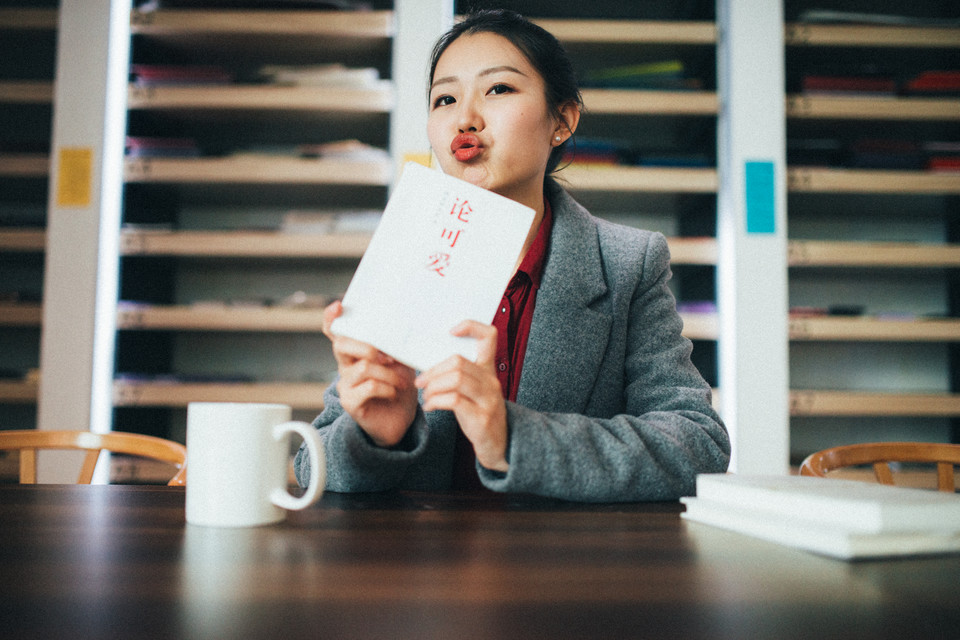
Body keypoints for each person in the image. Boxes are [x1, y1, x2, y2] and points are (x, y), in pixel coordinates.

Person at [295, 9, 730, 502]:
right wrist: (376, 436)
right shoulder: (406, 254)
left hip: (560, 570)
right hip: (417, 572)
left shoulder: (628, 263)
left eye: (498, 89)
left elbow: (700, 444)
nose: (465, 118)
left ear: (561, 121)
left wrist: (512, 436)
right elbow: (312, 465)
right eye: (445, 98)